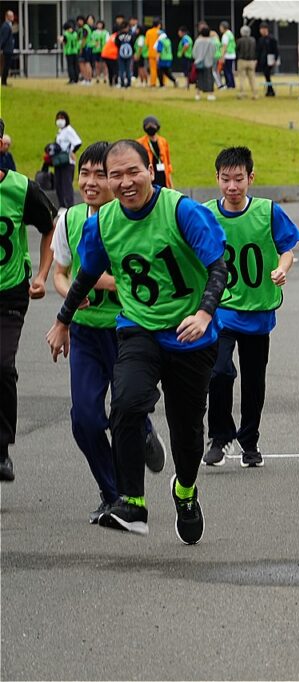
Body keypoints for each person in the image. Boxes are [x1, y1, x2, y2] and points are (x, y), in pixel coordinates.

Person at [46, 139, 229, 543]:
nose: (125, 182)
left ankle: (185, 489)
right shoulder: (103, 223)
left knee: (187, 433)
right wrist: (63, 321)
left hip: (190, 336)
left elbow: (219, 265)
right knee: (126, 402)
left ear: (152, 169)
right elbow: (86, 273)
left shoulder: (182, 211)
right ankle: (132, 501)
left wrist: (203, 313)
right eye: (116, 175)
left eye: (134, 172)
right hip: (139, 327)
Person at [50, 141, 167, 520]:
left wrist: (100, 284)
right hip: (85, 332)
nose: (91, 181)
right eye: (85, 173)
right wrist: (69, 305)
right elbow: (61, 275)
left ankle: (140, 433)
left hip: (125, 329)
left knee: (125, 411)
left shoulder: (133, 219)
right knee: (84, 419)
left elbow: (132, 278)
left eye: (101, 174)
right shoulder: (68, 220)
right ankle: (111, 489)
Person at [202, 147, 299, 468]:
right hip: (221, 309)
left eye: (239, 179)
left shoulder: (268, 211)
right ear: (216, 179)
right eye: (226, 179)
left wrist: (282, 269)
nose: (232, 186)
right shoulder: (205, 214)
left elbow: (287, 248)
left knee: (254, 381)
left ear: (251, 178)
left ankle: (250, 441)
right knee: (218, 372)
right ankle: (219, 436)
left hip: (258, 311)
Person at [0, 118, 57, 483]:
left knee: (1, 365)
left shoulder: (20, 188)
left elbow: (50, 225)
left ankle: (1, 450)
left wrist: (40, 275)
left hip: (9, 290)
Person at [53, 110, 82, 209]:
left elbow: (77, 142)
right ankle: (62, 205)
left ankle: (69, 205)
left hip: (67, 161)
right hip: (59, 161)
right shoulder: (60, 132)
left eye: (62, 118)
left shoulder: (69, 130)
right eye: (58, 118)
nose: (59, 120)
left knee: (66, 184)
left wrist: (72, 152)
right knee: (58, 183)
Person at [136, 115, 173, 188]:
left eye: (153, 125)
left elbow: (168, 164)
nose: (151, 128)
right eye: (148, 126)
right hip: (150, 178)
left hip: (163, 177)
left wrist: (171, 184)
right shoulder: (140, 143)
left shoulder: (163, 141)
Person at [192, 26, 216, 101]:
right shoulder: (211, 41)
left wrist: (197, 58)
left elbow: (194, 52)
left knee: (199, 78)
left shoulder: (197, 41)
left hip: (199, 62)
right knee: (209, 78)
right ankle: (210, 95)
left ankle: (197, 94)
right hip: (208, 62)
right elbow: (213, 52)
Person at [235, 25, 257, 99]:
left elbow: (236, 49)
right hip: (251, 61)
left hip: (242, 61)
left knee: (241, 78)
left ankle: (242, 93)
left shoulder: (239, 40)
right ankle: (255, 93)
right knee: (252, 78)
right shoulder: (253, 40)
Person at [256, 23, 278, 97]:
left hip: (270, 59)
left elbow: (276, 50)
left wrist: (275, 59)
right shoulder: (261, 39)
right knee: (266, 75)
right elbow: (259, 50)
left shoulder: (271, 39)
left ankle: (270, 90)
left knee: (267, 74)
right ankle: (270, 90)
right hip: (263, 59)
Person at [100, 22, 119, 86]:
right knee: (115, 69)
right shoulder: (118, 36)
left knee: (110, 70)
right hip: (112, 55)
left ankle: (111, 83)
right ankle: (116, 83)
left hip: (105, 54)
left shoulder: (112, 36)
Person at [115, 23, 133, 88]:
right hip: (129, 53)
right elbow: (133, 43)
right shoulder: (131, 35)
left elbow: (116, 43)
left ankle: (122, 83)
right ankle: (128, 83)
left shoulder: (118, 35)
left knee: (121, 69)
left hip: (121, 53)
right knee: (128, 69)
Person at [219, 21, 236, 89]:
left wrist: (222, 56)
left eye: (220, 27)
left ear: (223, 27)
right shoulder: (230, 34)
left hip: (227, 55)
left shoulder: (225, 35)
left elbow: (224, 46)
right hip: (232, 54)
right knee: (230, 70)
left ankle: (229, 84)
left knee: (227, 71)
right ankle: (232, 84)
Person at [0, 10, 15, 86]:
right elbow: (3, 38)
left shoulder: (8, 25)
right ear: (7, 17)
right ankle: (3, 82)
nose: (13, 17)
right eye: (11, 16)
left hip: (8, 49)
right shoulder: (6, 26)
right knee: (6, 66)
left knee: (7, 65)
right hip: (7, 50)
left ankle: (4, 81)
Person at [145, 18, 161, 86]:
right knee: (161, 69)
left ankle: (153, 83)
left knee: (153, 69)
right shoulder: (160, 32)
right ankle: (163, 82)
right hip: (159, 54)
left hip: (151, 53)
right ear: (159, 25)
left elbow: (147, 43)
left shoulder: (148, 32)